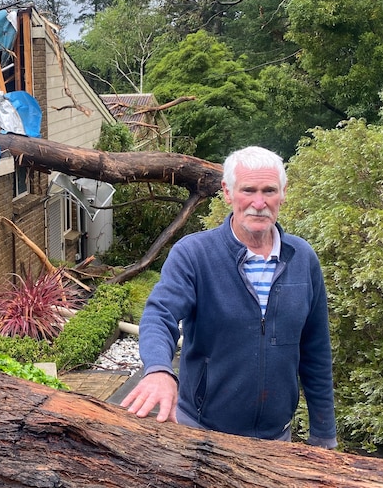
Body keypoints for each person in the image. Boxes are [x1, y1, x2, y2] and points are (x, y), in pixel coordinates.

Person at [121, 146, 337, 448]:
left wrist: (324, 436)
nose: (258, 203)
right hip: (202, 435)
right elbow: (160, 315)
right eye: (248, 190)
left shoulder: (303, 258)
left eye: (269, 191)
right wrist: (158, 370)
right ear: (227, 192)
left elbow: (316, 352)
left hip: (276, 441)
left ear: (283, 193)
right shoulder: (194, 254)